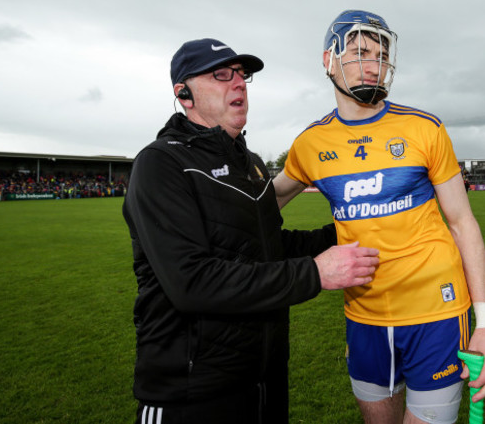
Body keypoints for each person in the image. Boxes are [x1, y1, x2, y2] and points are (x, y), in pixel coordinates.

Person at [122, 38, 380, 424]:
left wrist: (352, 227)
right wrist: (315, 273)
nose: (239, 83)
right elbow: (192, 281)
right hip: (192, 395)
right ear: (184, 94)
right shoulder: (161, 164)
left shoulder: (253, 165)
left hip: (263, 379)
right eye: (221, 75)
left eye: (242, 75)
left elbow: (269, 245)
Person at [273, 11, 485, 424]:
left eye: (380, 55)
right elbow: (264, 204)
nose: (373, 64)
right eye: (360, 52)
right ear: (329, 60)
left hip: (437, 312)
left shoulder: (423, 128)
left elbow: (463, 223)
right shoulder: (310, 144)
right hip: (364, 315)